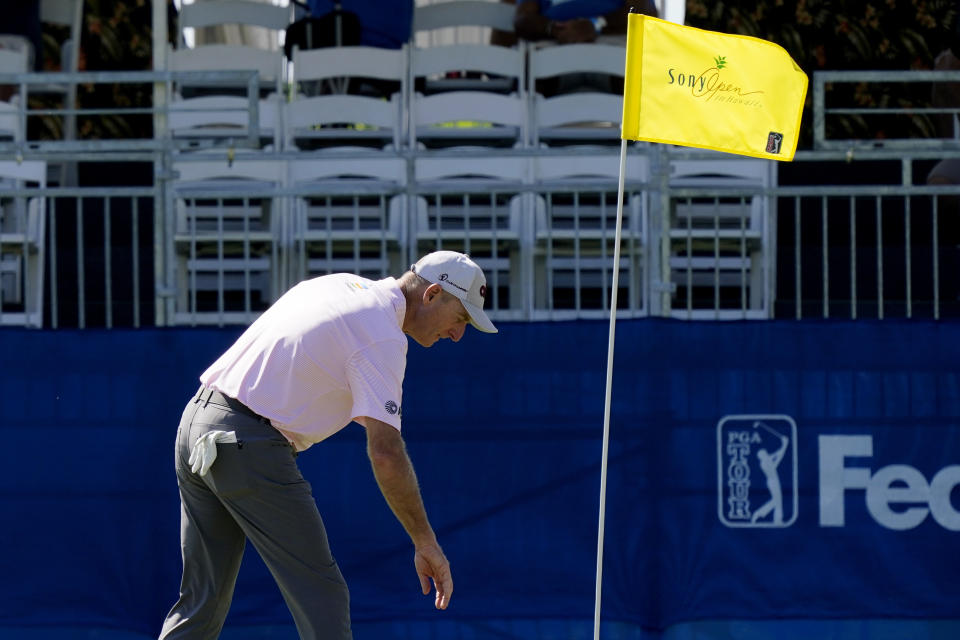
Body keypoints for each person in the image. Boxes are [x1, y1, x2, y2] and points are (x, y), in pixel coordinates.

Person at [158, 251, 498, 640]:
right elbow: (386, 453)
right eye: (461, 318)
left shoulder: (342, 283)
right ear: (433, 294)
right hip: (246, 443)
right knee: (323, 595)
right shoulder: (382, 336)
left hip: (197, 421)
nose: (458, 334)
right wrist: (425, 541)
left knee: (202, 601)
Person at [491, 0, 658, 48]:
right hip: (554, 41)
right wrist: (554, 29)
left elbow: (645, 11)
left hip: (612, 41)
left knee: (632, 57)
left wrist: (596, 25)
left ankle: (625, 132)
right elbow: (522, 19)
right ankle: (537, 132)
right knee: (534, 57)